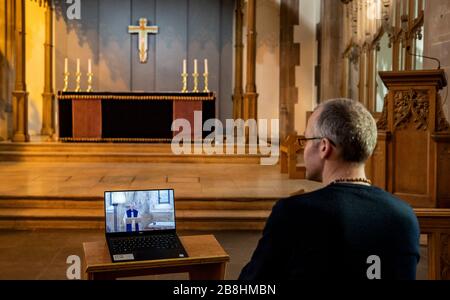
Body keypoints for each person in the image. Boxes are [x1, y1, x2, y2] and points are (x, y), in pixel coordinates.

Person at [239, 99, 420, 280]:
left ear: (324, 147)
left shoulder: (295, 214)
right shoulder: (404, 216)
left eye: (306, 140)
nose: (303, 149)